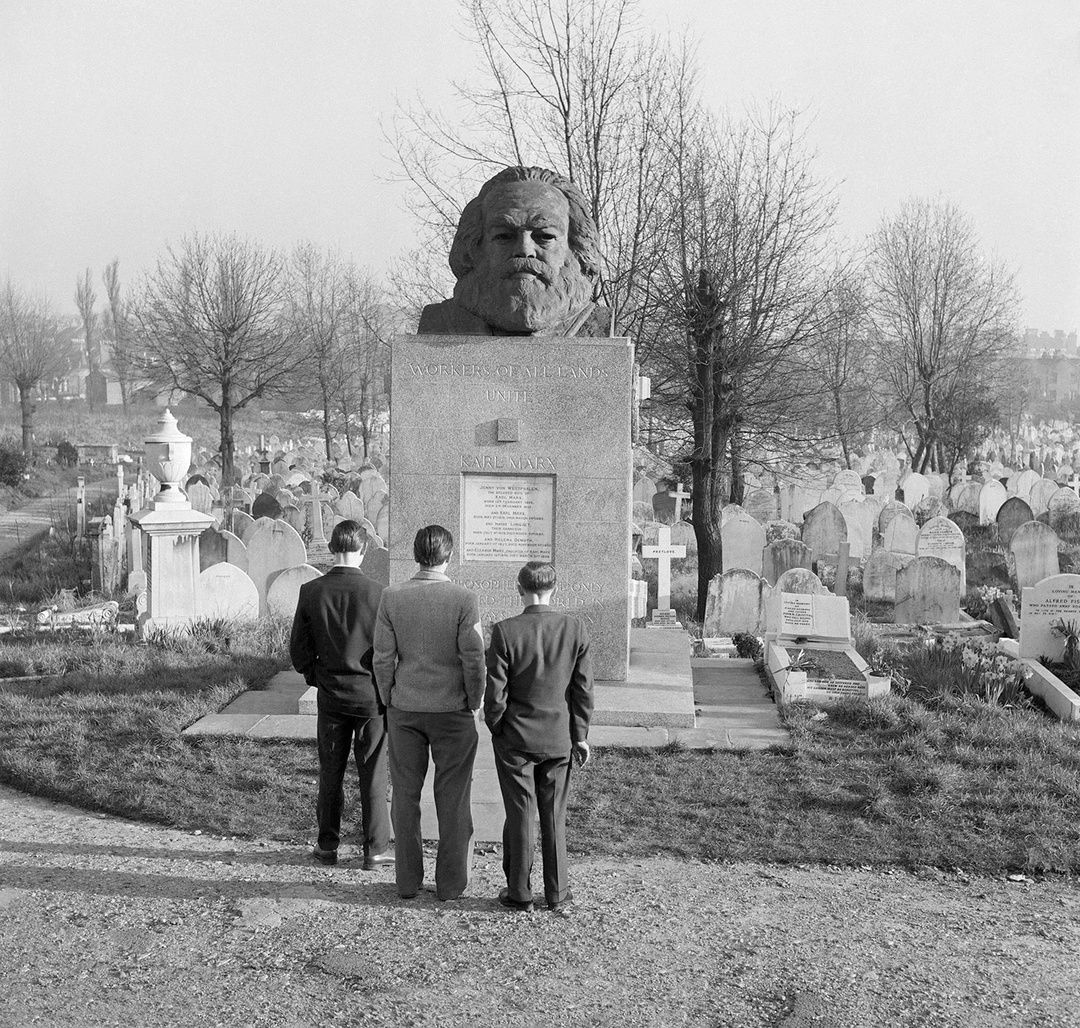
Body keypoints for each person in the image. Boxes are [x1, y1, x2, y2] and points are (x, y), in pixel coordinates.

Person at [372, 525, 486, 901]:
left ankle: (406, 881)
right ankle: (451, 885)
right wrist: (474, 700)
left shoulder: (392, 597)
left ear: (416, 554)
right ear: (449, 556)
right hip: (452, 709)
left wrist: (389, 696)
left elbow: (383, 657)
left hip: (405, 706)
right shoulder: (463, 598)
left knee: (404, 795)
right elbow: (474, 658)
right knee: (453, 798)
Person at [484, 561, 593, 913]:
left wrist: (498, 726)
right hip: (559, 736)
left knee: (520, 812)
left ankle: (519, 892)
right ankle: (557, 892)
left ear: (519, 589)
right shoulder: (574, 629)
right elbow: (582, 690)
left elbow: (495, 693)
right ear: (555, 589)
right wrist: (580, 735)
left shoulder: (504, 631)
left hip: (515, 737)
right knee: (553, 815)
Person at [288, 520, 393, 870]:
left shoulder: (312, 590)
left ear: (332, 549)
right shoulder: (380, 593)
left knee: (331, 771)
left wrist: (316, 676)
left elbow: (299, 650)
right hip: (371, 697)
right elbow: (388, 651)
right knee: (373, 772)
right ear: (363, 551)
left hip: (331, 695)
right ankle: (375, 849)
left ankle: (327, 845)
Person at [417, 165, 614, 337]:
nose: (524, 250)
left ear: (576, 248)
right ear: (474, 248)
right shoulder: (439, 323)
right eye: (504, 236)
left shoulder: (598, 326)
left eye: (545, 236)